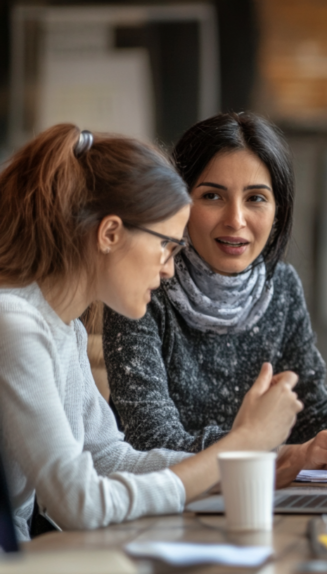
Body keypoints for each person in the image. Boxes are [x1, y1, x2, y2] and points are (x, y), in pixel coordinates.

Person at [0, 124, 302, 541]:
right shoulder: (13, 324)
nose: (169, 268)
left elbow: (108, 457)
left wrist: (253, 460)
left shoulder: (63, 329)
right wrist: (242, 445)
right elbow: (78, 503)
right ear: (110, 234)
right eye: (166, 245)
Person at [103, 112, 327, 484]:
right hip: (161, 507)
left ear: (278, 212)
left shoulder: (279, 285)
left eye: (255, 198)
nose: (236, 220)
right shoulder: (143, 286)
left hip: (256, 496)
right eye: (212, 196)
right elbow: (152, 442)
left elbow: (311, 402)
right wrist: (279, 453)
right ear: (179, 204)